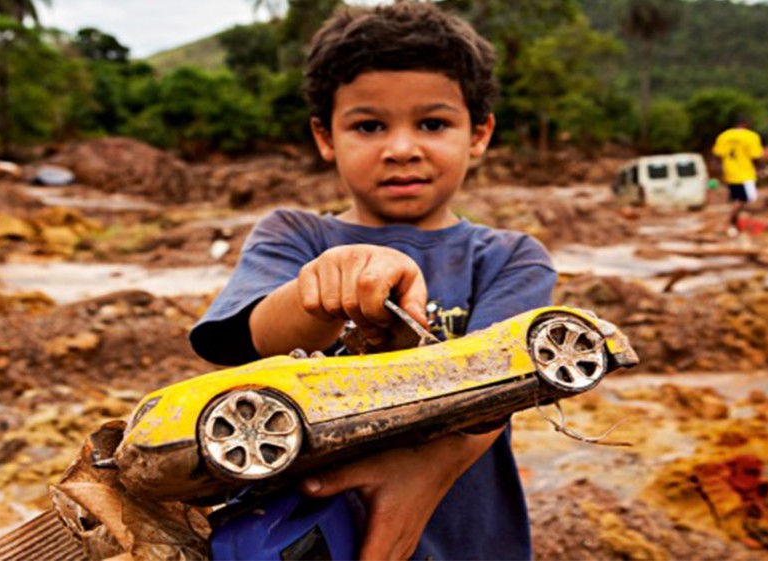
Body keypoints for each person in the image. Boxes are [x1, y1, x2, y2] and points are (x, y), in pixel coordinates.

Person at [188, 3, 556, 560]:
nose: (402, 148)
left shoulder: (511, 258)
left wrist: (421, 478)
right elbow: (250, 339)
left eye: (432, 124)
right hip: (303, 532)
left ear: (478, 134)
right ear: (325, 136)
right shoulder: (294, 235)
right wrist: (322, 292)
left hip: (466, 540)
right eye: (369, 125)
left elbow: (503, 387)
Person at [712, 117, 764, 236]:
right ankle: (731, 223)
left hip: (730, 174)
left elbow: (717, 155)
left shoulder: (724, 136)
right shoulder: (751, 136)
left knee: (736, 200)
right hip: (746, 174)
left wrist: (718, 172)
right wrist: (761, 169)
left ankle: (735, 226)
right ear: (747, 124)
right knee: (747, 201)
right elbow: (756, 156)